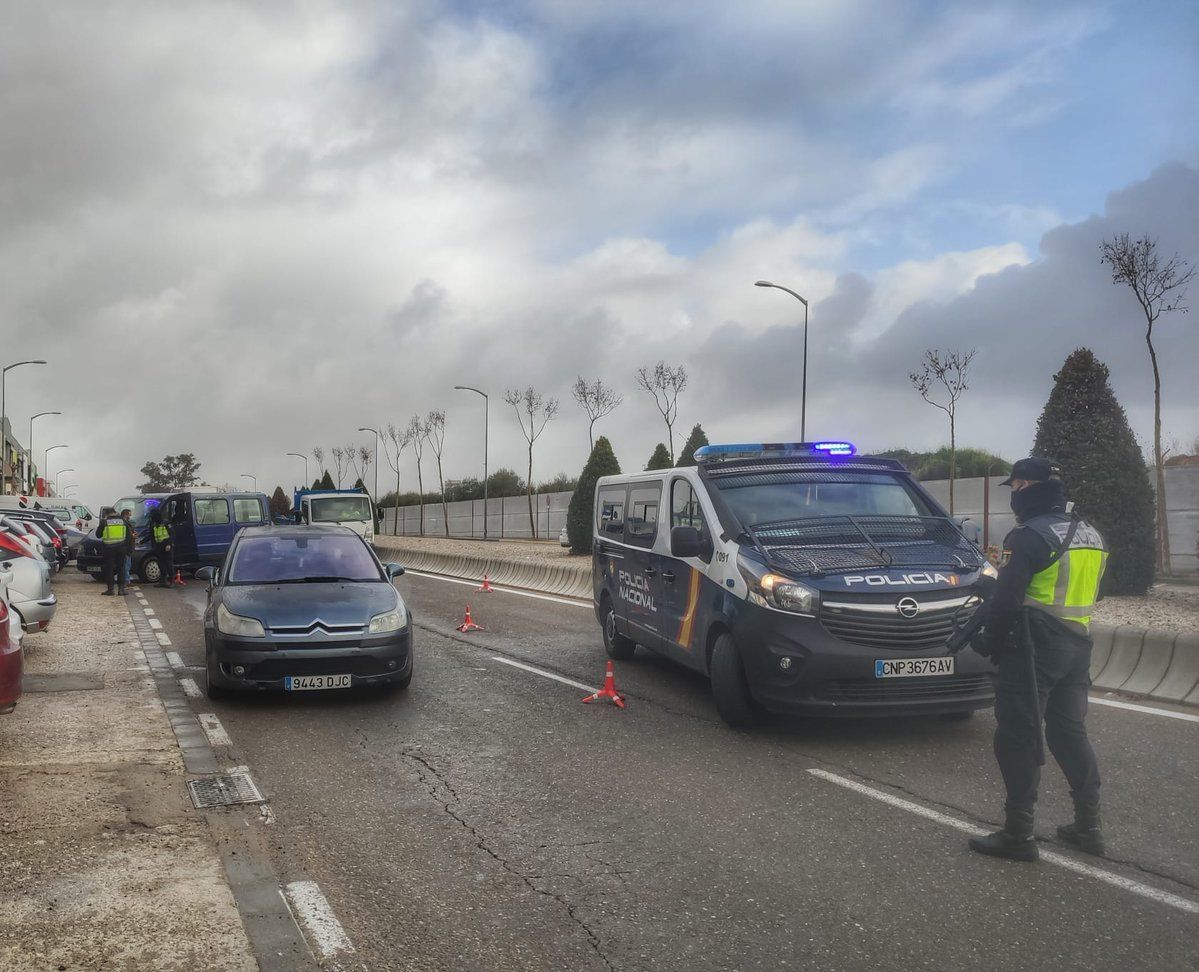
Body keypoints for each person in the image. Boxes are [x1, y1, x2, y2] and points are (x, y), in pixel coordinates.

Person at [969, 457, 1109, 862]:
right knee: (1069, 732)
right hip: (1077, 645)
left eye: (1015, 487)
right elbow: (1094, 593)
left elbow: (1007, 601)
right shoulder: (1090, 534)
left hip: (1033, 648)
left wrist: (990, 642)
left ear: (1028, 487)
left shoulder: (1028, 536)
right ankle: (1089, 827)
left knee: (1018, 735)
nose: (1013, 495)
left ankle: (1018, 833)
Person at [95, 507, 132, 596]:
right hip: (121, 548)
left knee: (109, 569)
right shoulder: (123, 521)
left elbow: (98, 535)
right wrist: (128, 549)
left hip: (109, 549)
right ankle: (121, 590)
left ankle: (110, 589)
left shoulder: (105, 522)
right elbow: (129, 536)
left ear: (107, 514)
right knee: (121, 569)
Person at [150, 508, 174, 588]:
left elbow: (172, 534)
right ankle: (163, 581)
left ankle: (172, 581)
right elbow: (151, 535)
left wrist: (169, 544)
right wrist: (140, 541)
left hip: (166, 546)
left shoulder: (166, 522)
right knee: (161, 565)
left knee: (169, 564)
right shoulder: (153, 524)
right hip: (158, 547)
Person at [120, 508, 136, 588]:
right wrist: (132, 536)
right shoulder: (124, 523)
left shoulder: (126, 522)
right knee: (126, 565)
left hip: (128, 546)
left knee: (127, 564)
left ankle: (127, 580)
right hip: (126, 547)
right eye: (129, 515)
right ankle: (126, 581)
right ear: (126, 514)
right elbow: (126, 535)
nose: (130, 516)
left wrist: (133, 534)